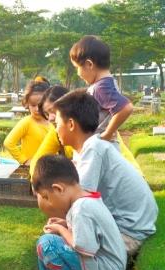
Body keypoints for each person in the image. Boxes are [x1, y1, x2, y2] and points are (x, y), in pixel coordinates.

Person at [54, 89, 158, 255]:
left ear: (71, 124)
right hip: (134, 223)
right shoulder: (91, 146)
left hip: (129, 233)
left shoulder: (93, 149)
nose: (56, 129)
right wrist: (67, 223)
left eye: (57, 123)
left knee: (60, 249)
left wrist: (65, 227)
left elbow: (81, 199)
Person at [33, 155, 127, 270]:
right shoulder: (87, 199)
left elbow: (83, 247)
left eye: (46, 196)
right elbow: (90, 231)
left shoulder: (81, 209)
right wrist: (65, 223)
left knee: (46, 244)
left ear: (58, 189)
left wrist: (60, 229)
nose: (47, 202)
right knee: (52, 240)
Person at [70, 35, 134, 150]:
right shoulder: (105, 83)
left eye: (77, 68)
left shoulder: (101, 87)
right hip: (102, 145)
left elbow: (126, 108)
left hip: (101, 146)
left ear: (89, 64)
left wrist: (107, 134)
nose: (77, 73)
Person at [4, 80, 52, 165]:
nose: (37, 109)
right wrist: (24, 160)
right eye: (33, 105)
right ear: (27, 104)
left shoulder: (52, 122)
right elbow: (8, 143)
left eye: (40, 105)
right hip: (32, 170)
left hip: (51, 168)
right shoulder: (26, 122)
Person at [29, 85, 72, 177]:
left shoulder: (89, 132)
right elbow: (37, 162)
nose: (50, 118)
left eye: (53, 111)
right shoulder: (55, 132)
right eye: (47, 113)